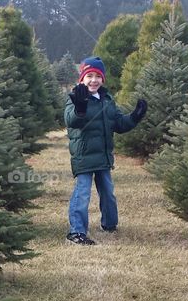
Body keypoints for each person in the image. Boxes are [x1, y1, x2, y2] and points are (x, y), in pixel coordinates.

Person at [63, 56, 147, 245]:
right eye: (89, 76)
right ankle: (76, 232)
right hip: (84, 156)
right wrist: (80, 108)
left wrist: (135, 117)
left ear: (103, 79)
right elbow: (71, 121)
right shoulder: (76, 97)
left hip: (103, 156)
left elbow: (118, 123)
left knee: (108, 192)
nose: (94, 80)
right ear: (82, 79)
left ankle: (109, 224)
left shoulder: (107, 100)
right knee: (82, 193)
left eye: (98, 76)